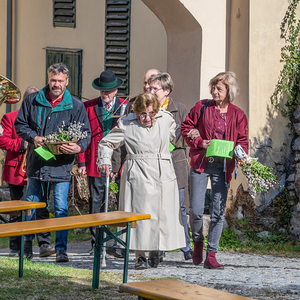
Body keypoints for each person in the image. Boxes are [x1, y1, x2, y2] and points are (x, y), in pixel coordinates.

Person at [97, 93, 186, 270]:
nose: (147, 118)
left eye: (151, 114)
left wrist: (193, 134)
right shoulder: (127, 123)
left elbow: (178, 139)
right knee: (138, 215)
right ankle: (140, 256)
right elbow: (106, 143)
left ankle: (155, 249)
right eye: (143, 114)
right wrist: (105, 160)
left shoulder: (166, 120)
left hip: (162, 171)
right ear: (137, 113)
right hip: (138, 172)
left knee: (161, 213)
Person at [14, 63, 91, 263]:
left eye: (59, 81)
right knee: (30, 206)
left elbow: (86, 134)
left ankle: (61, 250)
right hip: (37, 163)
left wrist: (78, 148)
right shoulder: (32, 100)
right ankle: (26, 248)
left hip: (61, 166)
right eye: (53, 80)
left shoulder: (76, 104)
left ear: (67, 81)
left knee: (61, 209)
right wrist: (33, 137)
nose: (56, 84)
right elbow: (20, 125)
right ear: (48, 79)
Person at [181, 71, 248, 269]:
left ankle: (212, 255)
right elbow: (186, 127)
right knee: (196, 210)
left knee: (218, 211)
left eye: (219, 88)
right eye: (213, 87)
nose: (214, 91)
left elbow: (242, 140)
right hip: (201, 162)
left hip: (223, 166)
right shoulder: (201, 107)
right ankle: (198, 242)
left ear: (229, 91)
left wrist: (242, 154)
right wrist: (199, 141)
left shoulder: (238, 114)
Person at [0, 86, 55, 259]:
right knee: (17, 209)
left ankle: (44, 244)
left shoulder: (45, 117)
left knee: (41, 207)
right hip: (17, 170)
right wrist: (22, 145)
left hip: (38, 169)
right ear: (25, 101)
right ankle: (16, 247)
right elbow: (2, 140)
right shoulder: (10, 117)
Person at [77, 70, 127, 257]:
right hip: (95, 161)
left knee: (119, 203)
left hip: (120, 160)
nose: (105, 95)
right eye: (102, 91)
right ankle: (96, 243)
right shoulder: (88, 106)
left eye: (109, 91)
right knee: (96, 203)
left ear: (115, 91)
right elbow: (82, 136)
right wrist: (81, 161)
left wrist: (119, 164)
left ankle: (116, 244)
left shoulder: (125, 107)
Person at [147, 72, 193, 260]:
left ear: (166, 91)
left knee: (179, 207)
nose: (150, 91)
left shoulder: (178, 108)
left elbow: (187, 135)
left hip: (175, 164)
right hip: (154, 165)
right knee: (157, 207)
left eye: (154, 88)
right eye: (149, 88)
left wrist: (171, 142)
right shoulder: (147, 109)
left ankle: (185, 246)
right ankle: (158, 247)